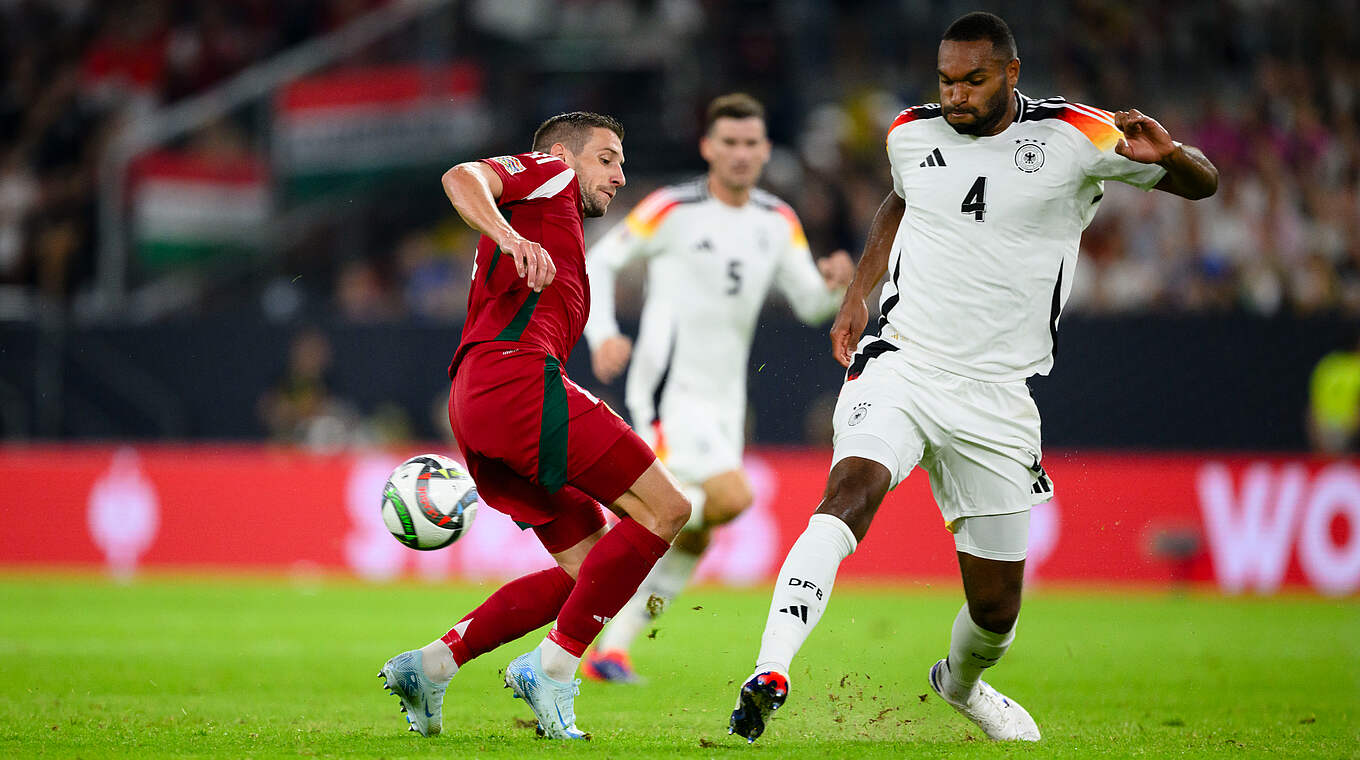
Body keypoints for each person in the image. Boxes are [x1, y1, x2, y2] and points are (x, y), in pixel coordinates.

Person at [728, 11, 1218, 744]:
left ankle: (960, 683)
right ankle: (771, 669)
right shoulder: (909, 132)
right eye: (946, 80)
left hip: (997, 396)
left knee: (994, 614)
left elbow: (1203, 185)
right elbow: (901, 198)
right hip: (904, 360)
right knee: (850, 490)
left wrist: (1172, 155)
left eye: (973, 81)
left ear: (1012, 75)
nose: (955, 95)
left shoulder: (1078, 136)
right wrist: (859, 291)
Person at [378, 112, 691, 741]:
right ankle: (553, 668)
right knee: (665, 510)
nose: (619, 176)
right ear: (562, 154)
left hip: (476, 402)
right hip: (514, 382)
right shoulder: (546, 176)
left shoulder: (557, 225)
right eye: (606, 159)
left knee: (590, 570)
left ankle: (433, 665)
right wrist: (507, 235)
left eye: (622, 162)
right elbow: (461, 177)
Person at [579, 93, 854, 683]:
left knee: (696, 528)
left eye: (750, 143)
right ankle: (596, 583)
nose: (739, 153)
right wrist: (601, 333)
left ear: (765, 150)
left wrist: (834, 286)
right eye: (728, 142)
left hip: (726, 403)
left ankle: (612, 645)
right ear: (708, 147)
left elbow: (810, 303)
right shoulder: (671, 208)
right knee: (727, 501)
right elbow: (600, 261)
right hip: (669, 392)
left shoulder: (776, 220)